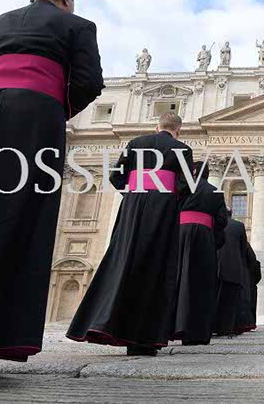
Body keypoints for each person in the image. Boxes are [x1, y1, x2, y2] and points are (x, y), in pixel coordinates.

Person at [0, 0, 103, 381]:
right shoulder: (78, 25)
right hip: (32, 122)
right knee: (9, 224)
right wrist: (50, 106)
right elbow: (88, 82)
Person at [67, 112, 191, 356]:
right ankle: (145, 338)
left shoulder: (136, 143)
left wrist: (134, 193)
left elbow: (116, 176)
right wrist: (168, 199)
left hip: (133, 205)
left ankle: (105, 324)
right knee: (156, 266)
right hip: (163, 207)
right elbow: (186, 184)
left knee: (123, 260)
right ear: (178, 130)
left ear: (157, 126)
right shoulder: (183, 149)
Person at [172, 162, 228, 345]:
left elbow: (171, 208)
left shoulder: (183, 187)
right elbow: (222, 221)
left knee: (178, 278)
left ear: (194, 171)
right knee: (203, 282)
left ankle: (174, 327)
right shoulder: (215, 192)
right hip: (204, 236)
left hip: (180, 233)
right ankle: (198, 333)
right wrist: (215, 239)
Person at [213, 208, 249, 336]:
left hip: (215, 266)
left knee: (215, 298)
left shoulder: (213, 224)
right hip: (233, 267)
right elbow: (244, 249)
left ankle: (213, 327)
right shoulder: (239, 226)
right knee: (231, 301)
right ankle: (228, 328)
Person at [239, 242, 261, 333]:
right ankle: (250, 323)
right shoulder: (254, 263)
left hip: (240, 281)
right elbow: (258, 276)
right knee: (251, 304)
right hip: (250, 283)